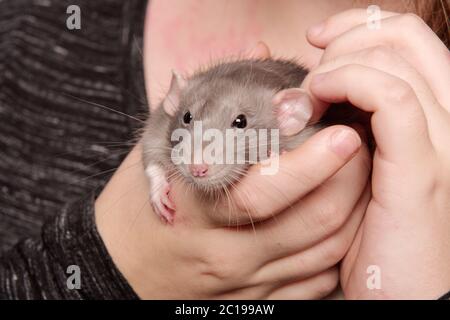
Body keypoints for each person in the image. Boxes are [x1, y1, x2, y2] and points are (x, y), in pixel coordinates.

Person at [0, 0, 449, 300]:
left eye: (236, 126)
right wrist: (112, 263)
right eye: (190, 123)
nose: (199, 162)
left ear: (292, 114)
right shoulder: (26, 27)